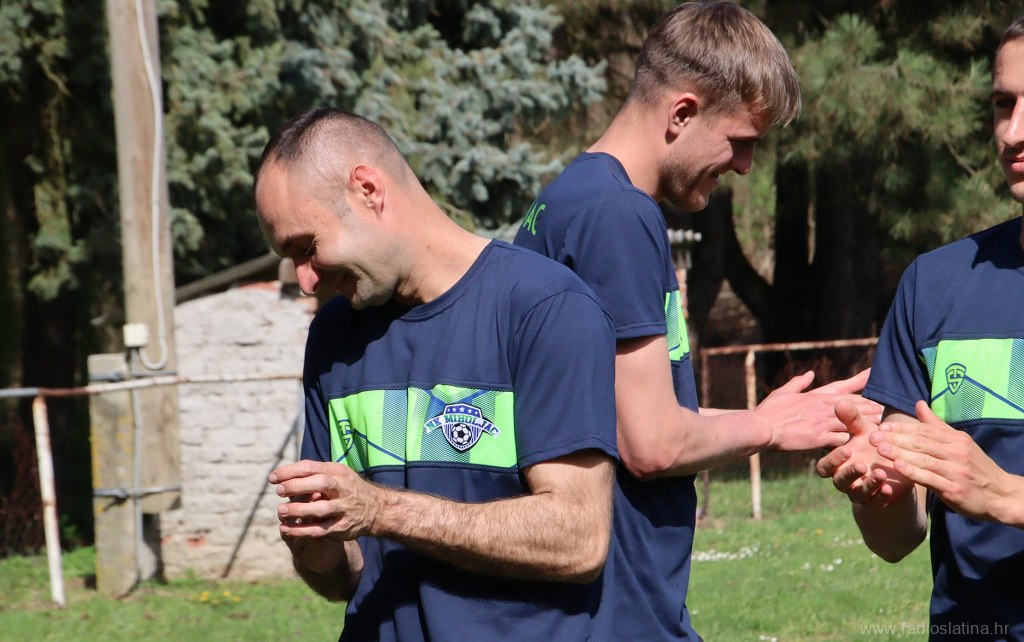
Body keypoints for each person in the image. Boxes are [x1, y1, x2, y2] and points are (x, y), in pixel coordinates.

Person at [514, 2, 879, 639]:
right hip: (614, 613)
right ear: (682, 112)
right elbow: (651, 445)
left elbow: (611, 417)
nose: (745, 166)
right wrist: (765, 427)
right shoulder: (619, 216)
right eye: (741, 141)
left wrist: (764, 421)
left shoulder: (568, 201)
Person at [254, 108, 620, 641]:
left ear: (368, 190)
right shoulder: (333, 334)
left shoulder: (544, 307)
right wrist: (321, 551)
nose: (306, 281)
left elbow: (578, 540)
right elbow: (350, 577)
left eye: (307, 248)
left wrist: (380, 511)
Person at [817, 17, 1024, 639]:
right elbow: (897, 540)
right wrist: (879, 491)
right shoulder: (936, 284)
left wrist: (1006, 496)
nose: (1014, 132)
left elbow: (994, 493)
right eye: (1003, 104)